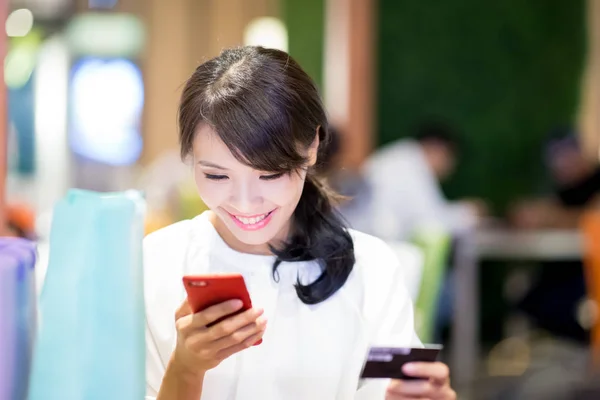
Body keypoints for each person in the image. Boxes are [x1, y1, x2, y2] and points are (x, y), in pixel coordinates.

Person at [143, 46, 456, 399]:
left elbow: (396, 385)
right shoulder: (155, 264)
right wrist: (186, 367)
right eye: (217, 176)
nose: (245, 202)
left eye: (270, 174)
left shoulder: (370, 269)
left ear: (312, 148)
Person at [349, 120, 483, 241]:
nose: (451, 167)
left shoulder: (403, 159)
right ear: (438, 149)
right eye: (450, 159)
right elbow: (430, 224)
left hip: (370, 239)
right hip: (378, 243)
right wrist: (467, 213)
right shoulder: (410, 167)